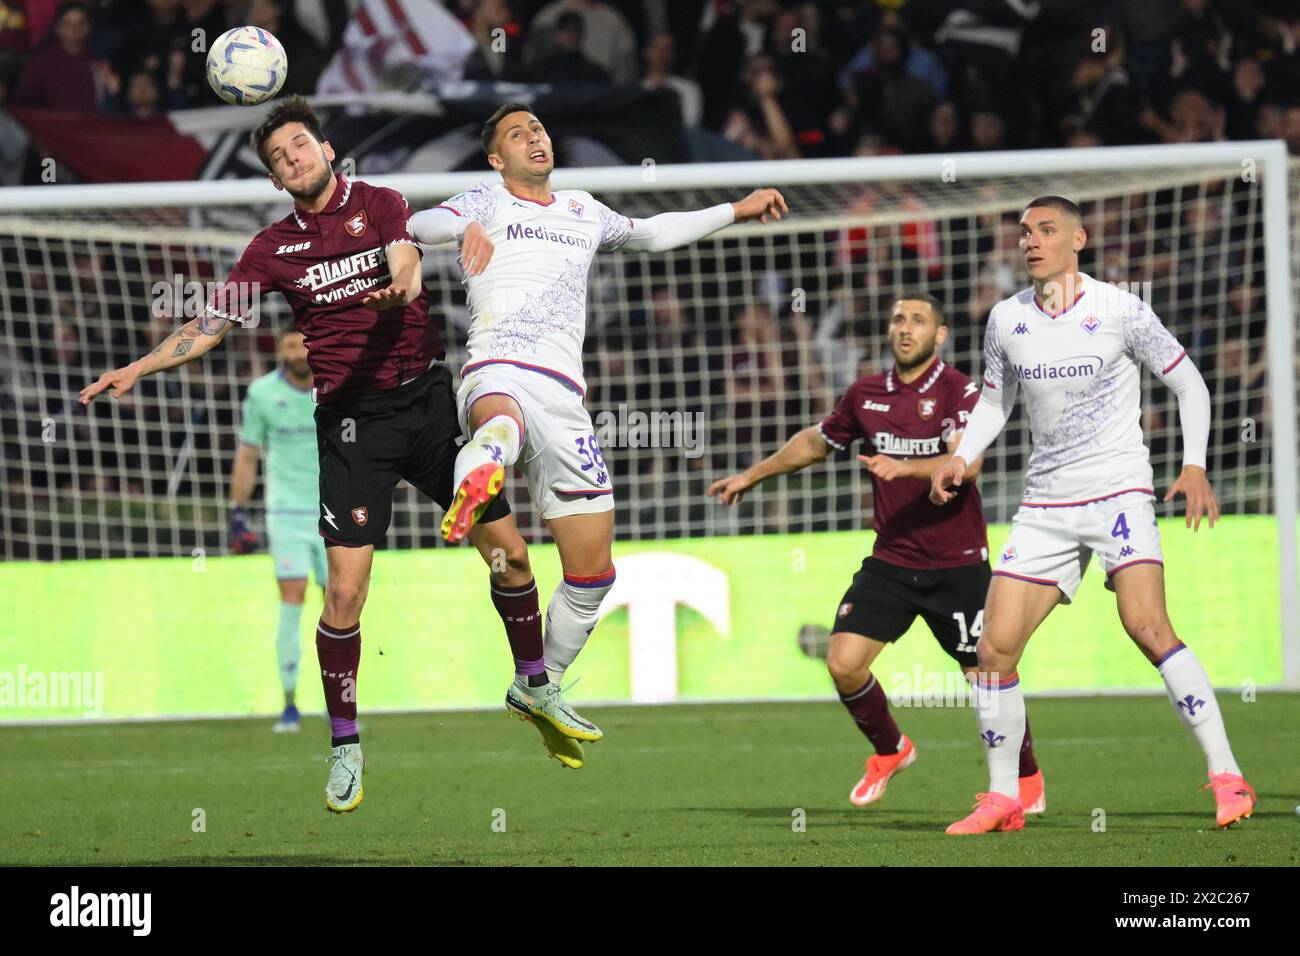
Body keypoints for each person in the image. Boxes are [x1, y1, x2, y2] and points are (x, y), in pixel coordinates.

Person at [81, 96, 554, 814]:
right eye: (279, 157)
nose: (293, 159)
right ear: (274, 179)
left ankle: (534, 682)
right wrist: (138, 368)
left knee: (512, 556)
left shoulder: (381, 201)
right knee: (345, 594)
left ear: (327, 149)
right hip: (351, 425)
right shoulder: (271, 250)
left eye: (300, 146)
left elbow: (406, 256)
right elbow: (208, 326)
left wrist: (404, 282)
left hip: (424, 405)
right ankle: (344, 745)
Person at [408, 102, 787, 761]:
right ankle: (482, 462)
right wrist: (457, 226)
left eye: (539, 129)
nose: (535, 137)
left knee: (592, 573)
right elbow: (421, 220)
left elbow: (654, 232)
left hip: (566, 399)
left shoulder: (583, 209)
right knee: (499, 417)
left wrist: (737, 209)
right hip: (498, 364)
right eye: (517, 134)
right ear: (497, 159)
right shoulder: (487, 199)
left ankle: (541, 686)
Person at [931, 195, 1254, 834]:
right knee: (994, 646)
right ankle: (1005, 799)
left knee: (1147, 625)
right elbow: (995, 405)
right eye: (1025, 232)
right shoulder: (1005, 319)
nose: (1032, 241)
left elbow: (1190, 383)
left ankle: (1227, 775)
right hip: (1046, 501)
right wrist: (961, 457)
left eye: (1047, 230)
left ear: (1078, 239)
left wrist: (1194, 465)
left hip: (1117, 491)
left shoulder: (1121, 310)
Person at [709, 294, 1044, 811]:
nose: (904, 328)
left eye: (918, 320)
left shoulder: (961, 390)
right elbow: (816, 443)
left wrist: (903, 468)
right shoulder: (865, 393)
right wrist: (751, 476)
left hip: (956, 563)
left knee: (987, 678)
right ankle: (891, 749)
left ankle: (1026, 781)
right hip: (891, 561)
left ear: (939, 335)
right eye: (897, 320)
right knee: (843, 663)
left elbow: (966, 463)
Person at [228, 328, 325, 734]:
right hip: (285, 513)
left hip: (331, 509)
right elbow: (248, 455)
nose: (295, 350)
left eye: (302, 342)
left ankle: (338, 697)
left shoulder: (334, 390)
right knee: (292, 596)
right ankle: (290, 701)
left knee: (342, 599)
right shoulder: (262, 394)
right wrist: (236, 512)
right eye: (287, 344)